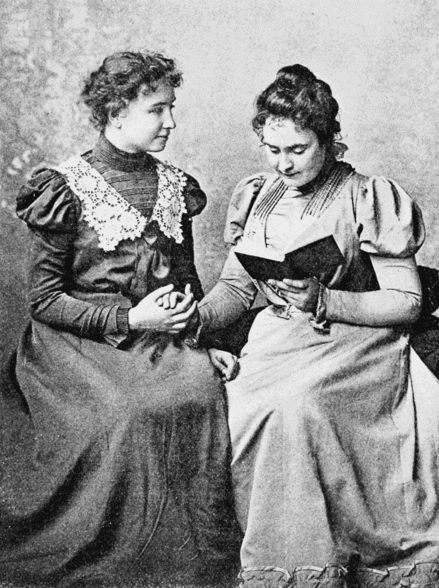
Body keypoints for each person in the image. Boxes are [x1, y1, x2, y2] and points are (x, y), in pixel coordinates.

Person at [0, 51, 239, 587]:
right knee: (128, 415)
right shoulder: (63, 187)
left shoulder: (176, 185)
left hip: (162, 337)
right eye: (158, 110)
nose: (171, 122)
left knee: (203, 394)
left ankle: (189, 567)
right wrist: (131, 318)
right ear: (116, 111)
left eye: (171, 108)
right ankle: (128, 567)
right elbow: (44, 300)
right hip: (78, 343)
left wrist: (204, 337)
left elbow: (187, 278)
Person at [198, 64, 439, 588]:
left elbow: (406, 301)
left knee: (296, 404)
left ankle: (304, 569)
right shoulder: (257, 195)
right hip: (277, 337)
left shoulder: (369, 195)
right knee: (235, 400)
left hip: (357, 342)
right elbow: (238, 289)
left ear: (328, 140)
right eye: (272, 149)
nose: (283, 163)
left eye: (298, 150)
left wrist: (324, 298)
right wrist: (193, 321)